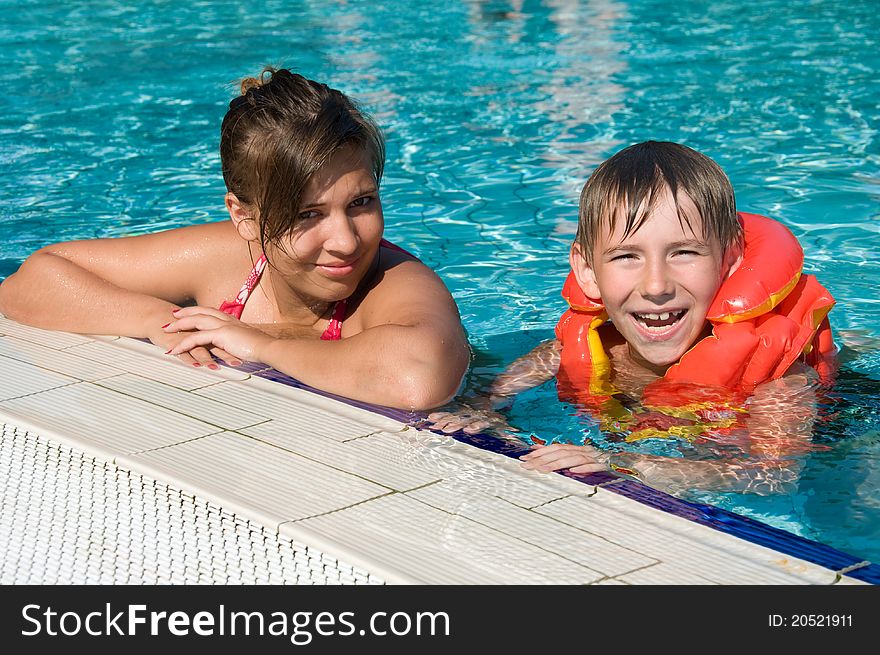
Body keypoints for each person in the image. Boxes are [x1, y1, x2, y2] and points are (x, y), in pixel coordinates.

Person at [0, 67, 469, 411]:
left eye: (361, 203)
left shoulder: (392, 283)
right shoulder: (230, 258)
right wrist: (159, 319)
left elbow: (418, 379)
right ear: (244, 216)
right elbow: (29, 281)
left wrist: (258, 343)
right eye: (308, 214)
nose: (345, 242)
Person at [429, 141, 837, 494]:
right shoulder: (564, 352)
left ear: (730, 259)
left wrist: (626, 464)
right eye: (627, 256)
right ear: (587, 270)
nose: (656, 285)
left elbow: (772, 476)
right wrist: (478, 411)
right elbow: (486, 396)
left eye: (684, 252)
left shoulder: (777, 384)